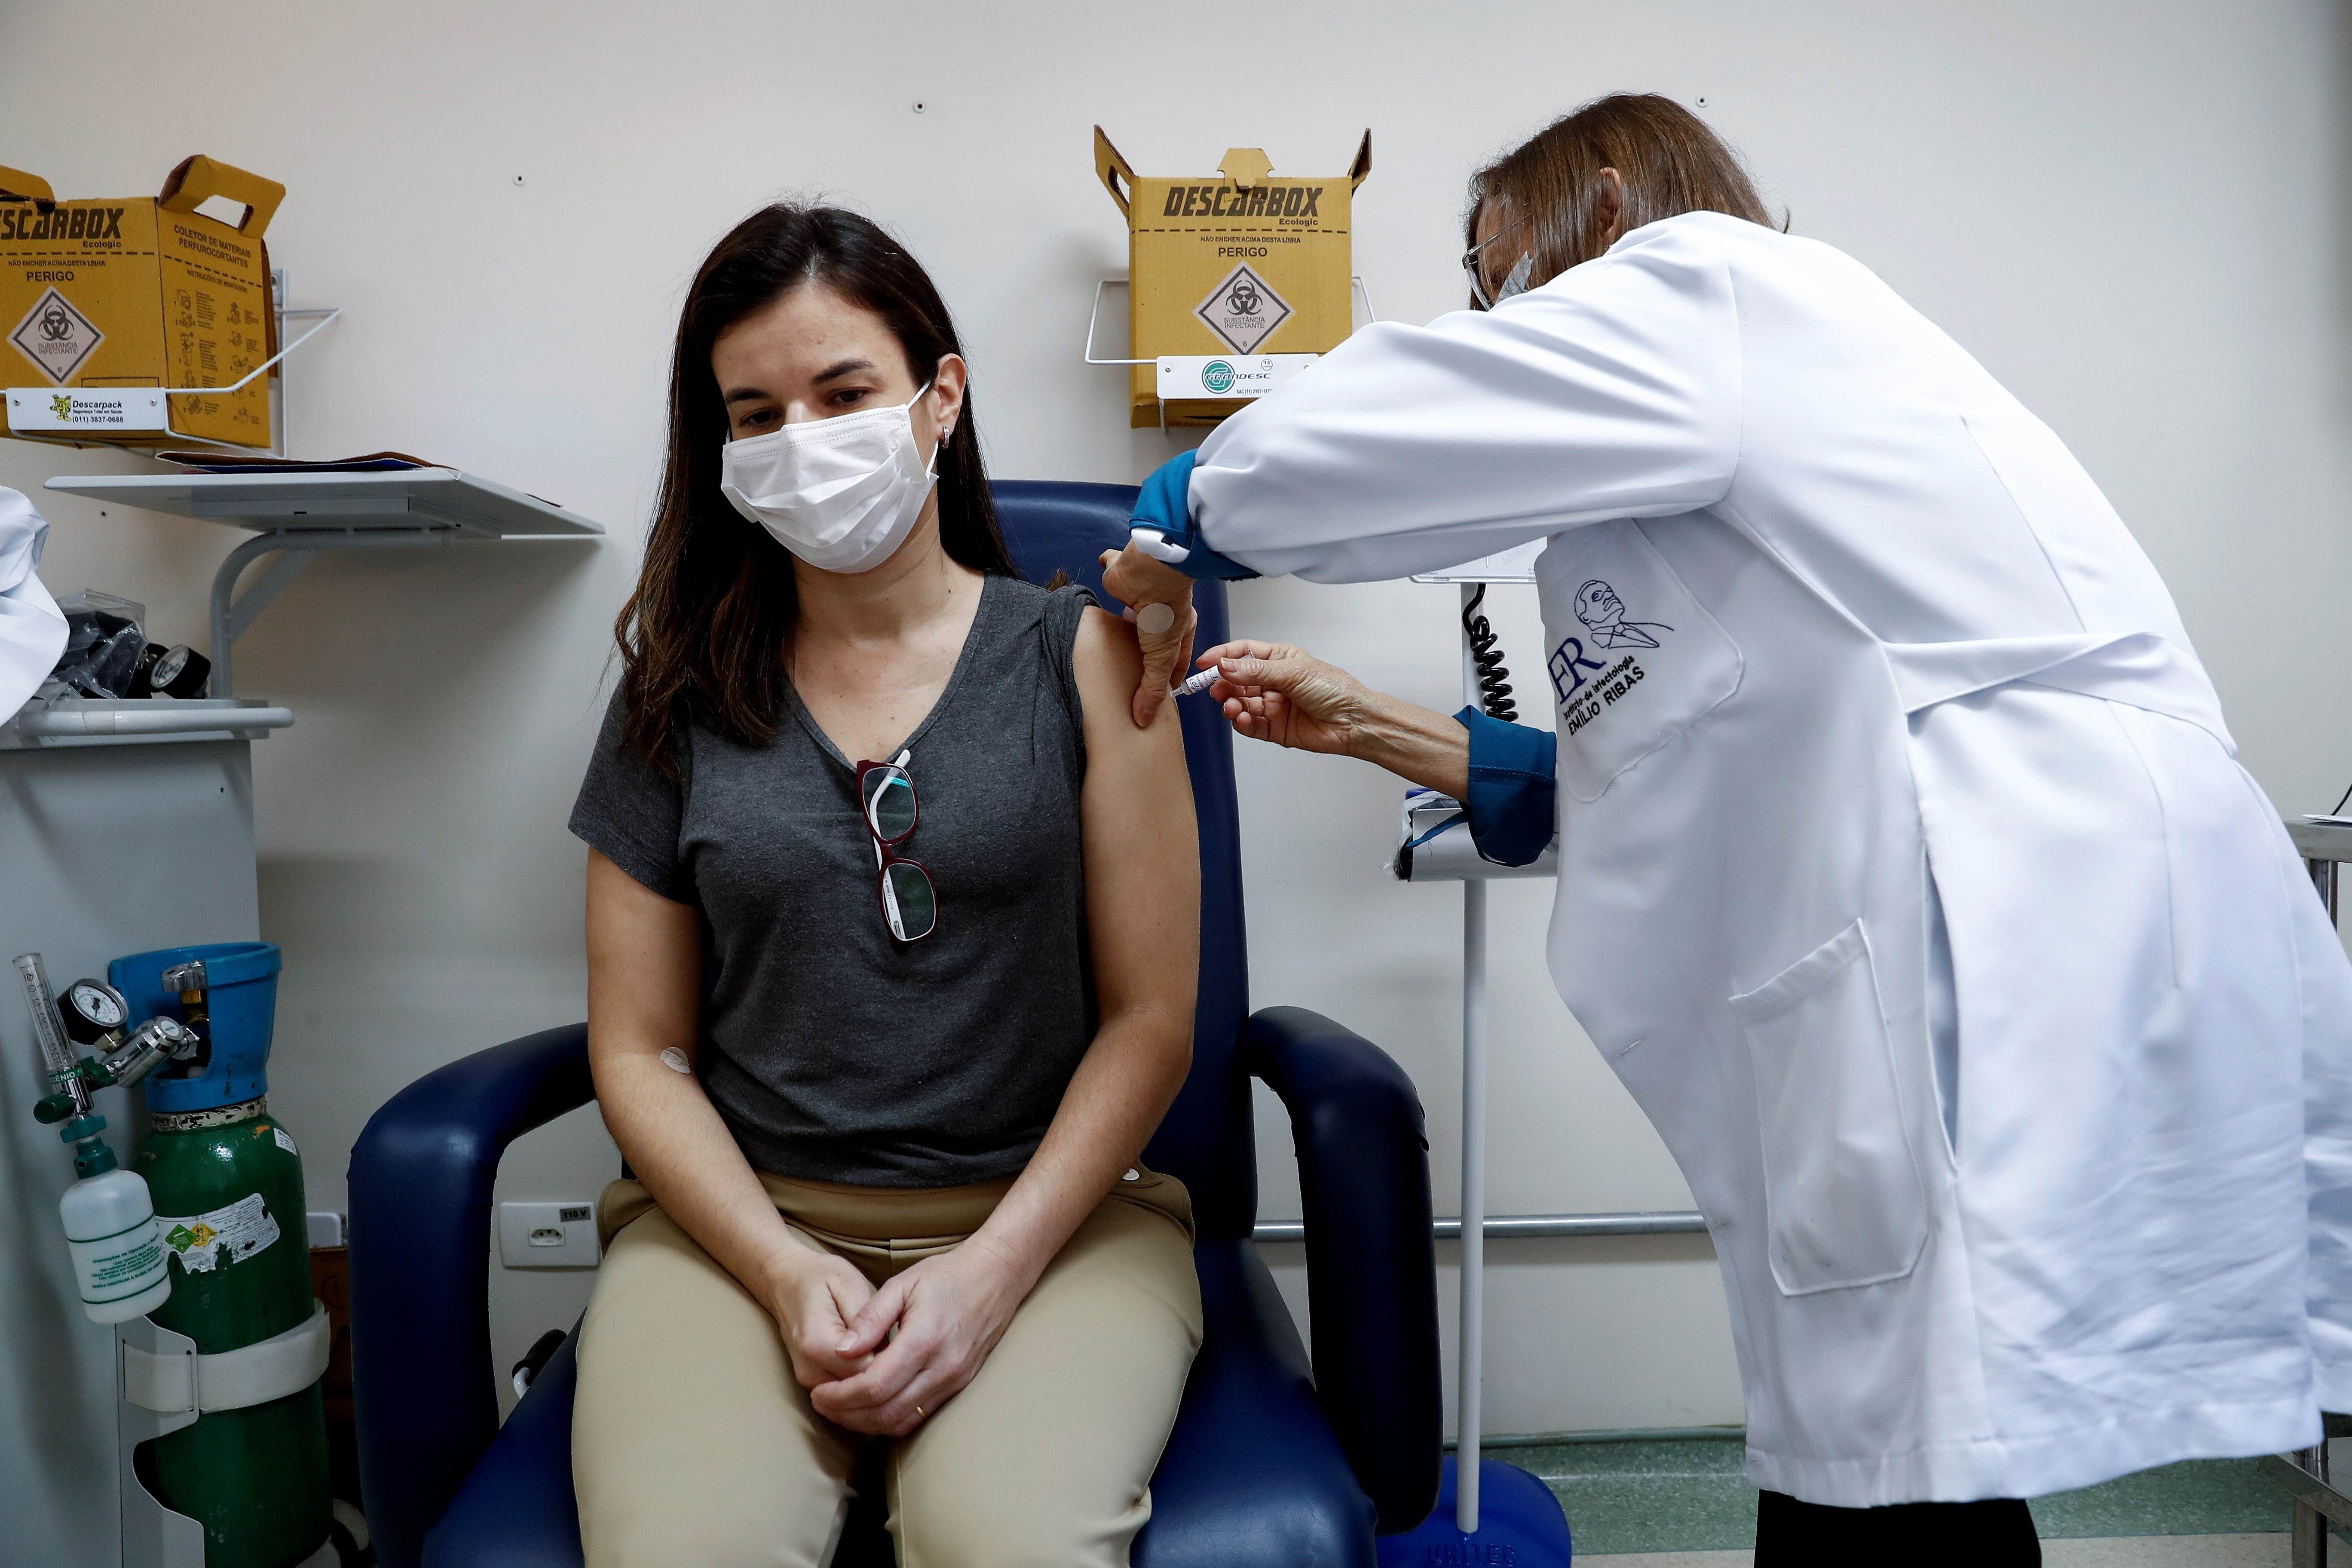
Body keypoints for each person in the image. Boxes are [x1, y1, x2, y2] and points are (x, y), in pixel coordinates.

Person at [1102, 93, 2352, 1563]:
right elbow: (1669, 761)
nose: (1493, 307)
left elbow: (1402, 437)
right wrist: (1381, 724)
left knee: (1890, 1464)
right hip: (2007, 895)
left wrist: (1186, 504)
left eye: (1503, 265)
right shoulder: (1722, 448)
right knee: (1899, 1460)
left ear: (1616, 207)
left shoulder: (1714, 287)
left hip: (2004, 905)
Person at [569, 204, 1202, 1568]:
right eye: (757, 412)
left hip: (1056, 1221)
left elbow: (1152, 1021)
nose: (803, 438)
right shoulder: (673, 698)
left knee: (1010, 1545)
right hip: (744, 1230)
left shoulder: (1092, 661)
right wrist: (786, 1270)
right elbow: (639, 1047)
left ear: (941, 397)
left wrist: (987, 1277)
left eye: (844, 391)